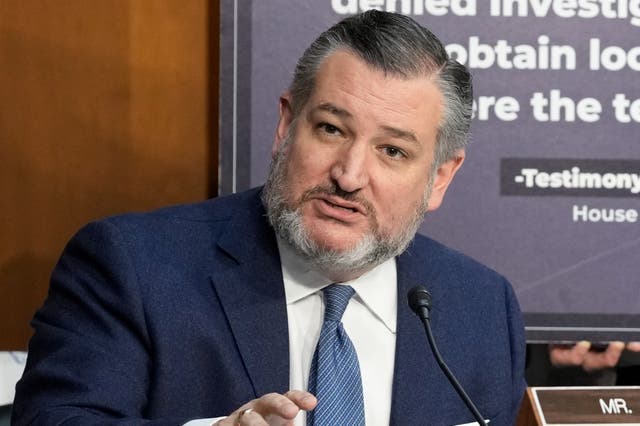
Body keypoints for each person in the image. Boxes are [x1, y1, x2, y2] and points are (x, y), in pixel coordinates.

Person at [13, 10, 526, 426]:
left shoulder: (480, 308)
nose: (349, 175)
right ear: (286, 125)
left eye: (392, 151)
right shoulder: (134, 268)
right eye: (330, 129)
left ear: (439, 177)